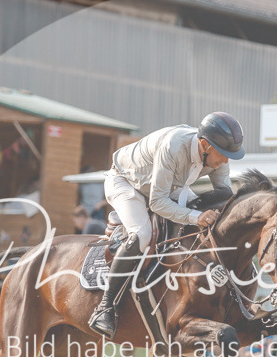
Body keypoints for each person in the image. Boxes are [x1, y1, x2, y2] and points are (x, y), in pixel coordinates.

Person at [88, 112, 244, 338]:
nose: (226, 161)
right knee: (141, 235)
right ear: (204, 145)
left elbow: (225, 195)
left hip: (167, 187)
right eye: (223, 155)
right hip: (126, 182)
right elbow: (157, 202)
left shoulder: (214, 153)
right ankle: (105, 307)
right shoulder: (173, 146)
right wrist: (195, 216)